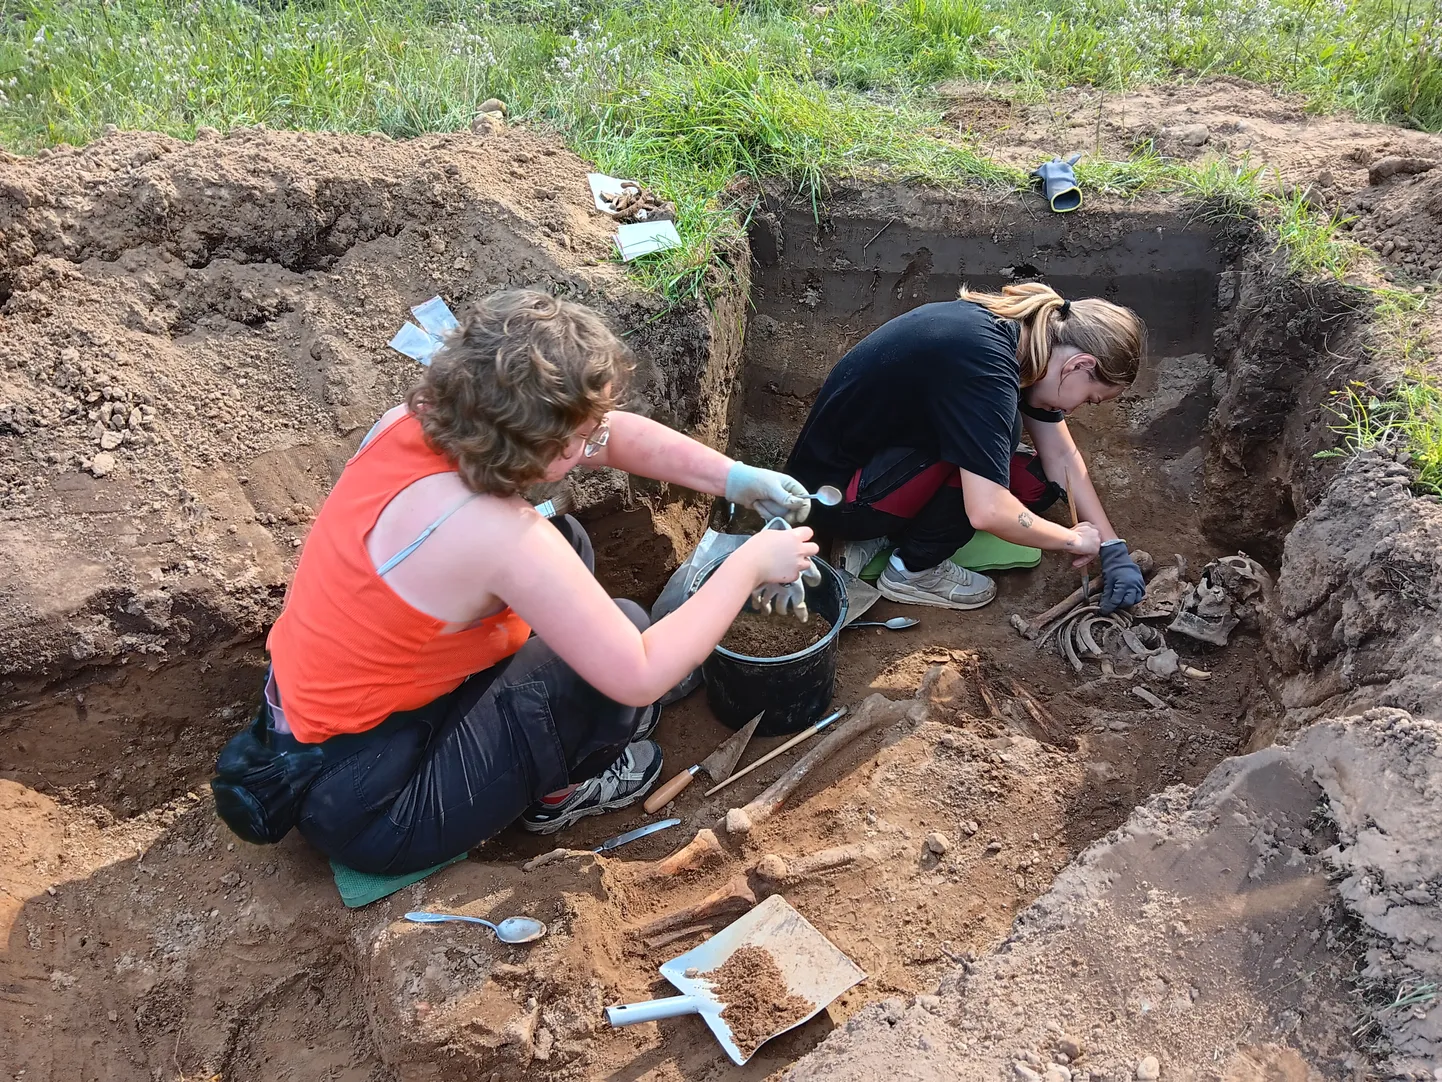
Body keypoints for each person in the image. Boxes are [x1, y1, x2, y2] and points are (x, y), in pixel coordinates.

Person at [210, 289, 819, 876]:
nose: (595, 441)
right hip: (371, 806)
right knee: (615, 655)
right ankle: (561, 792)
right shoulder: (489, 532)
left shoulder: (419, 421)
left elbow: (606, 435)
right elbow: (639, 672)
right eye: (578, 438)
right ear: (536, 441)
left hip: (329, 721)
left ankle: (537, 743)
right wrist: (750, 565)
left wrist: (735, 478)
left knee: (571, 545)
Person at [784, 282, 1148, 613]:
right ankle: (914, 572)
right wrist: (1071, 539)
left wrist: (1111, 547)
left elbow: (1062, 456)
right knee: (995, 445)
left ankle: (881, 534)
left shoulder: (1013, 334)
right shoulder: (985, 368)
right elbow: (987, 511)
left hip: (850, 469)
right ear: (1079, 365)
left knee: (1028, 477)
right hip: (835, 501)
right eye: (1090, 398)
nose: (1072, 410)